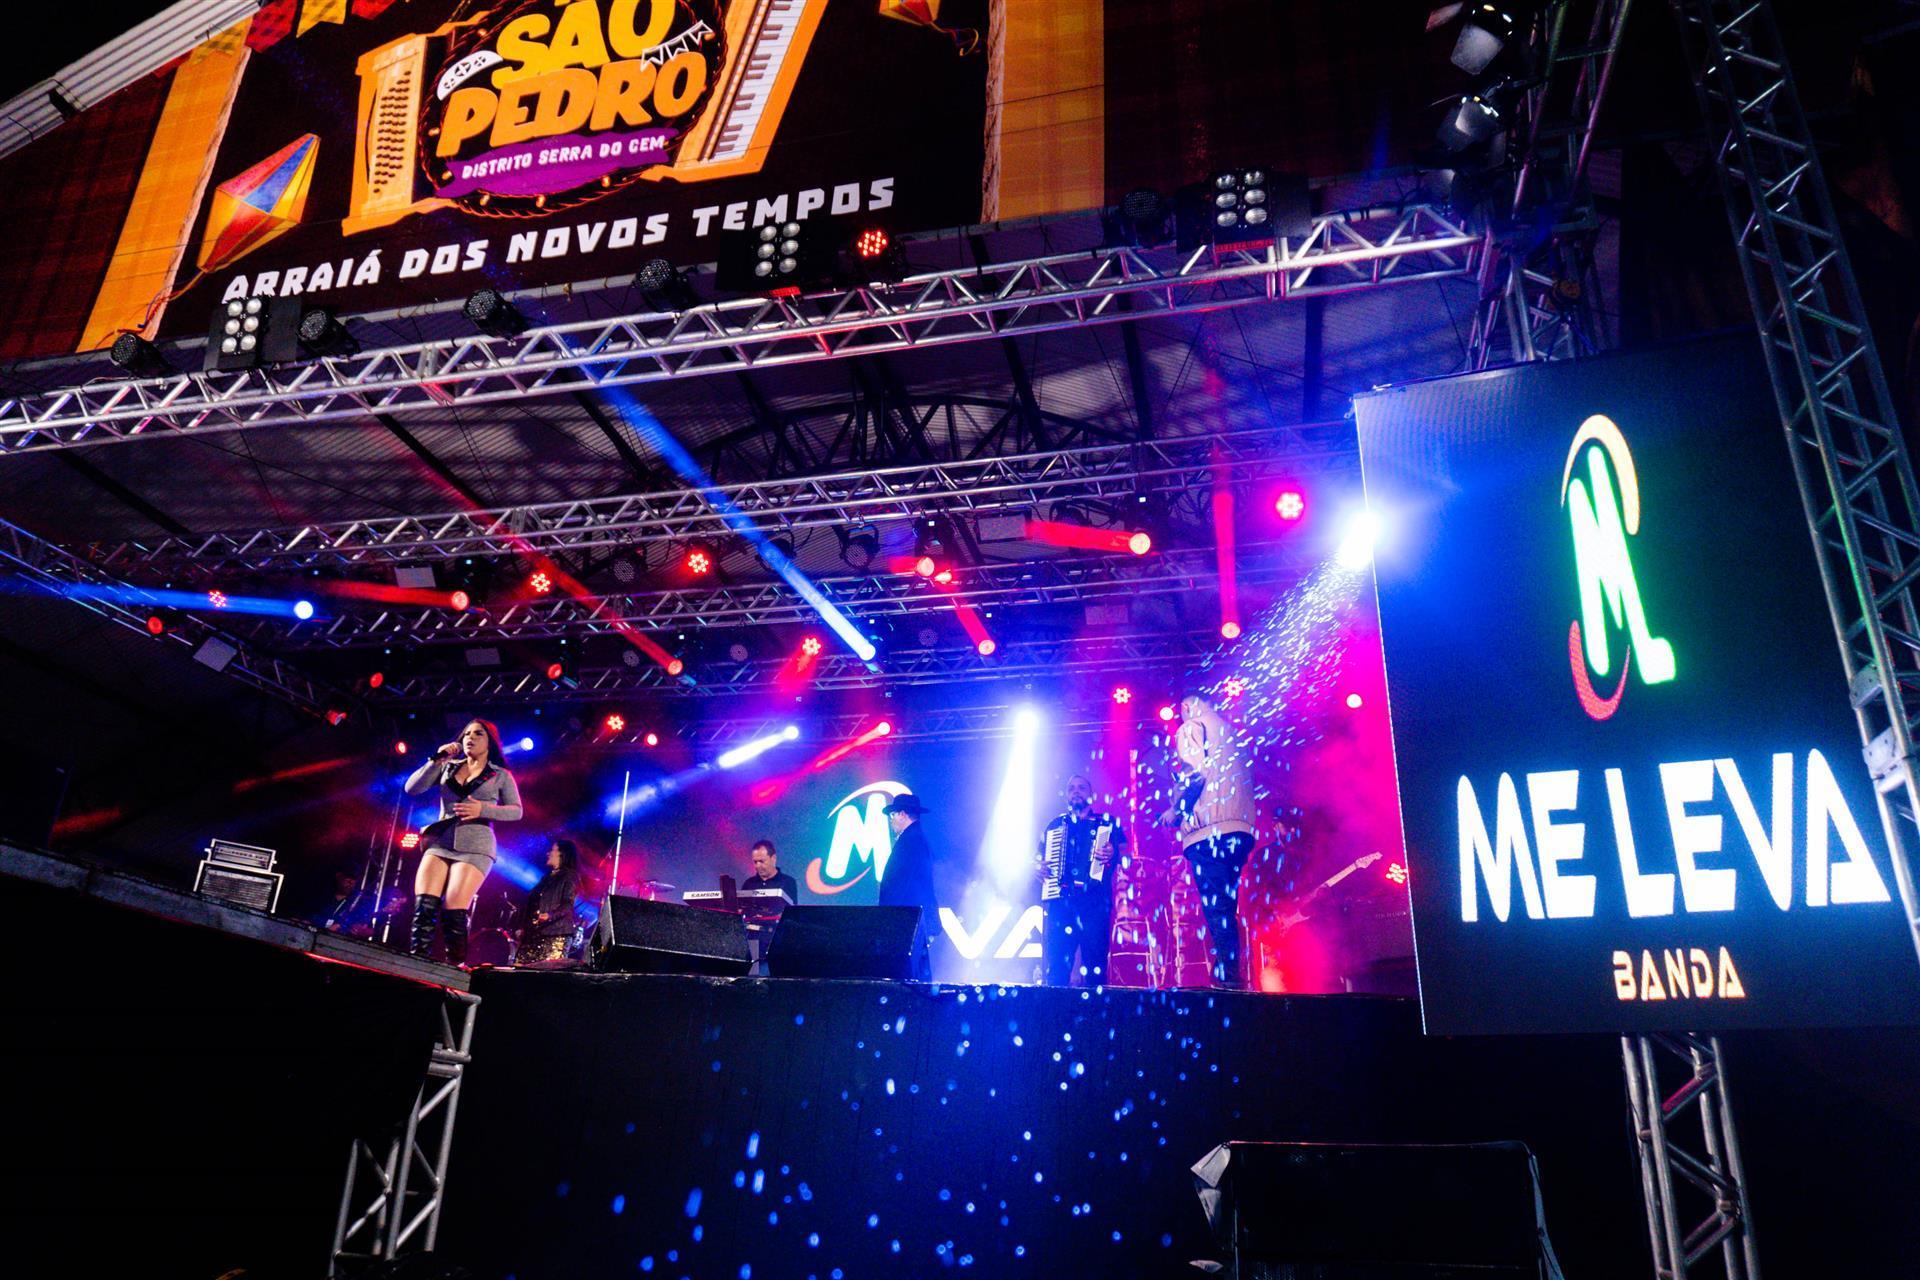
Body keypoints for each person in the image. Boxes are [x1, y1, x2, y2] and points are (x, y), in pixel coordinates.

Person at [402, 718, 524, 966]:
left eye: (478, 734)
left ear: (490, 742)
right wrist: (435, 760)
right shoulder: (447, 766)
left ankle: (453, 968)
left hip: (475, 846)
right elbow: (412, 788)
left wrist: (483, 809)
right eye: (467, 734)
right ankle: (416, 963)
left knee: (453, 909)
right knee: (424, 906)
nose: (470, 738)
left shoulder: (500, 775)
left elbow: (517, 811)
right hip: (440, 840)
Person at [1161, 694, 1256, 988]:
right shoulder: (1232, 733)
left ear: (1187, 706)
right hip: (1239, 830)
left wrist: (1177, 810)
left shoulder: (1192, 726)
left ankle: (1229, 978)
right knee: (1228, 905)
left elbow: (1195, 774)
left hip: (1209, 832)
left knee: (1217, 908)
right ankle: (1228, 971)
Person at [1037, 773, 1127, 986]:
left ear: (1091, 795)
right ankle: (1056, 1007)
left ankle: (1097, 1007)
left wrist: (1113, 853)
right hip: (1061, 902)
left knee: (1096, 965)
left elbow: (1126, 854)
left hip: (1095, 903)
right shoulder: (1055, 825)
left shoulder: (1107, 823)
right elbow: (1040, 859)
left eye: (1081, 788)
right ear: (1066, 796)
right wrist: (1038, 868)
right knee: (1057, 966)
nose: (1075, 791)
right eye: (1071, 789)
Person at [878, 793, 938, 974]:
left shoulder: (911, 841)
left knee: (907, 973)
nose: (891, 820)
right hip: (911, 921)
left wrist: (886, 919)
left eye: (893, 815)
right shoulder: (915, 839)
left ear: (902, 814)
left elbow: (900, 885)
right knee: (914, 971)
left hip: (906, 922)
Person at [517, 837, 582, 966]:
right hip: (534, 934)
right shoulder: (547, 877)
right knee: (521, 969)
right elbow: (533, 903)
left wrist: (550, 915)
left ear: (562, 854)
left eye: (552, 850)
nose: (548, 853)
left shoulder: (570, 876)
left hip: (555, 934)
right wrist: (524, 927)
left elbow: (568, 904)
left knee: (545, 972)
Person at [314, 867, 371, 936]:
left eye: (353, 880)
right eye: (348, 879)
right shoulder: (323, 896)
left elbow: (369, 930)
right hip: (316, 935)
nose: (350, 883)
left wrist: (361, 931)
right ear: (339, 877)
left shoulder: (360, 902)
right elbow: (309, 916)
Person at [741, 839, 799, 903]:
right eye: (755, 862)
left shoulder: (788, 882)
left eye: (761, 861)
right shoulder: (748, 884)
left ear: (773, 858)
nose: (758, 866)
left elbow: (792, 908)